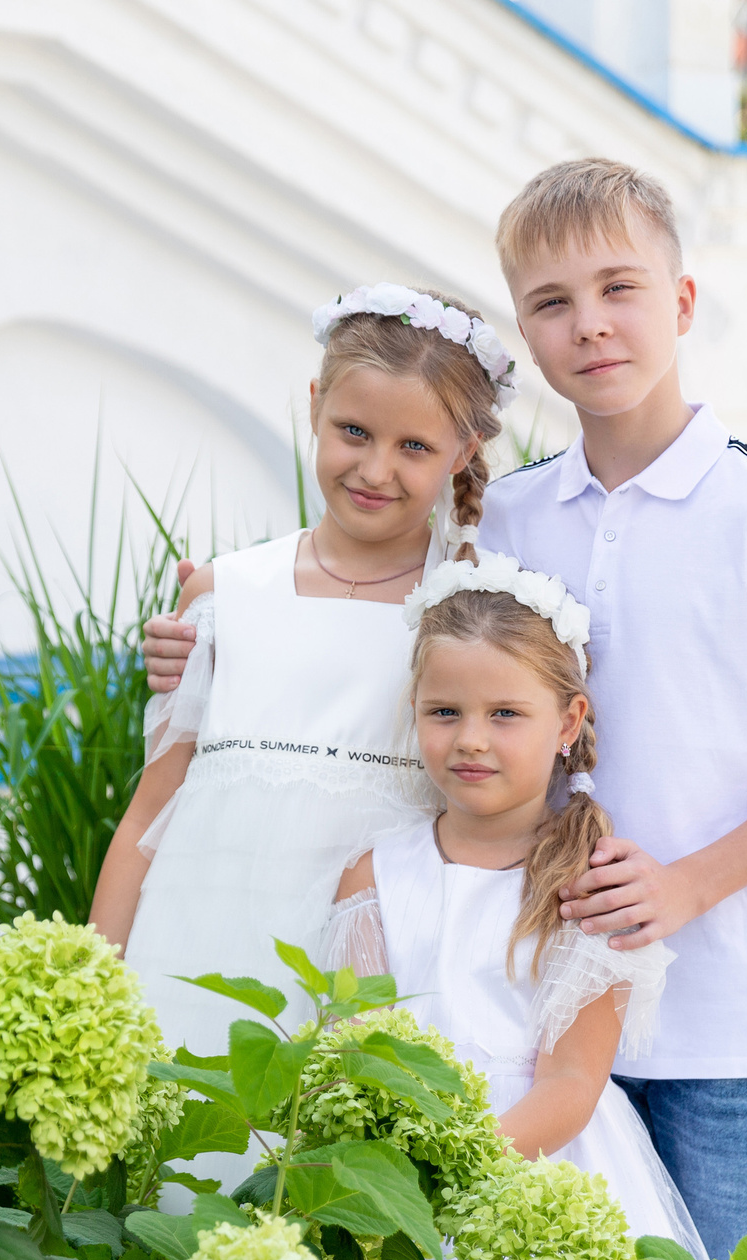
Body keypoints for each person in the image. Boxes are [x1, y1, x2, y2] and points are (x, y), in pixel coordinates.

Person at [140, 160, 747, 1260]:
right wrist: (211, 632)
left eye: (617, 289)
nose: (588, 325)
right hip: (514, 1016)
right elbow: (390, 623)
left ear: (680, 303)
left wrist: (682, 887)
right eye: (551, 304)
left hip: (719, 1025)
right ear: (526, 339)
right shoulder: (510, 520)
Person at [86, 284, 516, 1193]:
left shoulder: (467, 618)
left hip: (366, 978)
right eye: (354, 432)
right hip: (195, 956)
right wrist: (95, 988)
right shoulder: (223, 593)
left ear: (461, 453)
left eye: (415, 448)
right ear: (315, 408)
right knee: (173, 1200)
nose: (376, 469)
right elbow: (147, 815)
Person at [320, 551, 708, 1260]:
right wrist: (393, 1179)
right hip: (397, 1170)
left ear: (568, 721)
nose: (471, 737)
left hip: (540, 1168)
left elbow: (570, 1083)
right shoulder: (373, 873)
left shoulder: (588, 880)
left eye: (505, 714)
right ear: (415, 712)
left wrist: (455, 1174)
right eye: (445, 711)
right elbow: (355, 1047)